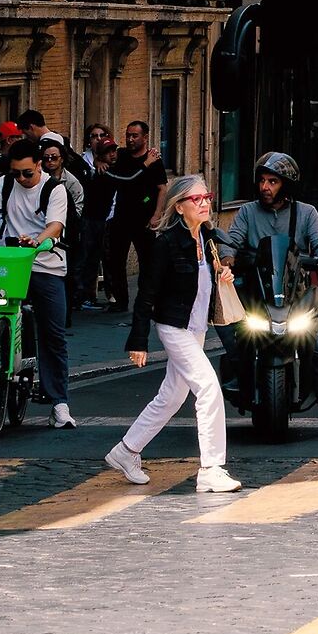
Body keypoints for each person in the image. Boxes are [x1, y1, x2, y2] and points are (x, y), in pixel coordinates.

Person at [106, 175, 239, 493]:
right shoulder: (165, 243)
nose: (205, 202)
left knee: (171, 397)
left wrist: (223, 272)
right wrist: (138, 341)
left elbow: (203, 281)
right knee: (208, 389)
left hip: (196, 329)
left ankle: (125, 451)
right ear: (179, 207)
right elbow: (146, 294)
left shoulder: (205, 238)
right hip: (173, 327)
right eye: (197, 199)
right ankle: (210, 468)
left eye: (206, 196)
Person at [220, 152, 318, 436]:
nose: (265, 187)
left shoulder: (306, 213)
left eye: (273, 181)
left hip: (296, 295)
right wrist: (228, 256)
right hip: (259, 294)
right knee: (236, 335)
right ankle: (236, 386)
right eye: (262, 181)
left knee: (317, 344)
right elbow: (230, 241)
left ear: (286, 185)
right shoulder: (247, 212)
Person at [0, 136, 75, 427]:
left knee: (53, 334)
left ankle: (59, 403)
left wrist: (38, 240)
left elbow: (55, 225)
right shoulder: (6, 183)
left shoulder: (55, 189)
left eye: (28, 172)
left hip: (46, 263)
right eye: (16, 173)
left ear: (39, 165)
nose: (22, 178)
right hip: (13, 261)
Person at [37, 134, 94, 320]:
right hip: (40, 231)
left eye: (54, 157)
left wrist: (68, 223)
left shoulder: (71, 181)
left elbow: (79, 205)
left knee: (67, 273)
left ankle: (65, 313)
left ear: (62, 158)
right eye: (46, 158)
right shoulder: (40, 180)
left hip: (67, 235)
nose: (50, 161)